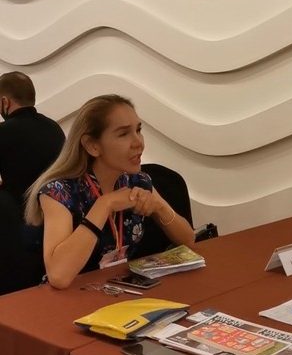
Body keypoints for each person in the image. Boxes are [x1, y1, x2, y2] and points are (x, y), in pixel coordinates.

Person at [25, 94, 195, 289]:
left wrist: (159, 207)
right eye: (123, 134)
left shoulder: (137, 181)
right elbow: (58, 276)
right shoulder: (59, 192)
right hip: (66, 298)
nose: (138, 142)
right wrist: (105, 204)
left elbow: (189, 240)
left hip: (115, 291)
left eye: (138, 130)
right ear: (92, 146)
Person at [0, 71, 65, 215]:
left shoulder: (3, 131)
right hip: (57, 213)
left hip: (20, 217)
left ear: (5, 102)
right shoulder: (54, 127)